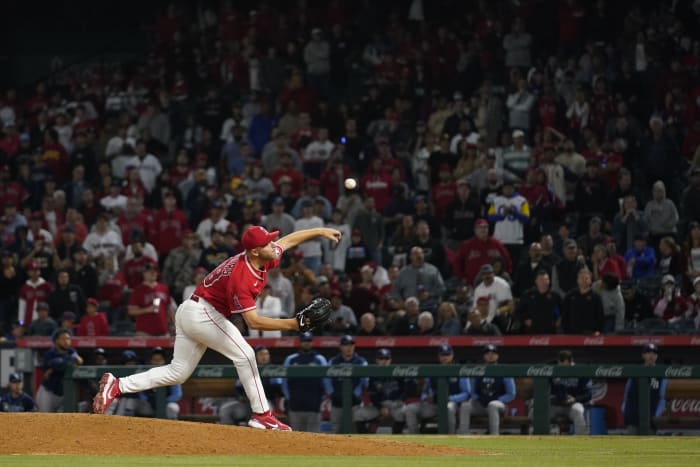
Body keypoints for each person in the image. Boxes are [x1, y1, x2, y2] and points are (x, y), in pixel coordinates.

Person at [94, 225, 341, 432]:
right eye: (267, 243)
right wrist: (293, 324)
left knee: (178, 373)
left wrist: (320, 231)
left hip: (192, 310)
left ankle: (118, 385)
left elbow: (287, 241)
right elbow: (253, 322)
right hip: (202, 313)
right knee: (245, 354)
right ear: (255, 250)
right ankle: (261, 414)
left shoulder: (260, 255)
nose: (273, 245)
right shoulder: (242, 276)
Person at [403, 344, 470, 434]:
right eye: (442, 355)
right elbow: (424, 392)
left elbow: (466, 393)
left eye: (447, 354)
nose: (445, 357)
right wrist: (425, 397)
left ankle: (451, 436)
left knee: (448, 408)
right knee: (410, 408)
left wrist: (449, 398)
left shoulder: (459, 370)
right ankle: (415, 437)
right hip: (434, 404)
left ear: (452, 355)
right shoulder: (433, 370)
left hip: (452, 403)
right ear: (438, 356)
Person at [220, 345, 285, 426]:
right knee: (225, 409)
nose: (264, 356)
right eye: (261, 354)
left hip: (265, 403)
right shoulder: (248, 368)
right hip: (246, 403)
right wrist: (241, 397)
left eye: (266, 354)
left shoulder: (273, 369)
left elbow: (278, 389)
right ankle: (228, 434)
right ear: (255, 356)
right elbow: (238, 387)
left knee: (267, 411)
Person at [459, 345, 516, 435]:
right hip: (481, 404)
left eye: (493, 353)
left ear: (497, 356)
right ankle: (463, 435)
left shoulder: (504, 371)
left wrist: (497, 399)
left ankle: (494, 436)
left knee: (492, 405)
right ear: (484, 356)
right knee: (465, 406)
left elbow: (511, 394)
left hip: (499, 406)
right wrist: (479, 398)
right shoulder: (478, 371)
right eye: (488, 354)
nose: (490, 356)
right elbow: (473, 392)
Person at [531, 350, 591, 435]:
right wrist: (554, 399)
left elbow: (588, 394)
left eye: (565, 362)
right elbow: (544, 391)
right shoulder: (552, 370)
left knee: (578, 411)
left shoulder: (581, 371)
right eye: (560, 362)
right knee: (536, 412)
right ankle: (539, 439)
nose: (562, 364)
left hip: (572, 405)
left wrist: (575, 399)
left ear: (571, 361)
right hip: (555, 405)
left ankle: (581, 440)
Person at [282, 332, 332, 432]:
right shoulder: (291, 359)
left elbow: (327, 381)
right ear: (300, 342)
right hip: (295, 405)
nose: (306, 343)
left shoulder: (320, 359)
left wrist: (323, 397)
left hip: (314, 405)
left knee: (314, 437)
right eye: (304, 341)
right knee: (296, 438)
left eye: (308, 341)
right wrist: (289, 398)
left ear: (312, 343)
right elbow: (284, 382)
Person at [354, 348, 409, 433]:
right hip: (379, 405)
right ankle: (366, 441)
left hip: (395, 404)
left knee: (403, 413)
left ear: (390, 360)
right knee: (358, 414)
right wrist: (380, 407)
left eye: (386, 358)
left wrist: (399, 401)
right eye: (381, 358)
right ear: (376, 360)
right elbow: (373, 395)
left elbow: (405, 391)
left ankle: (397, 440)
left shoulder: (398, 373)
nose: (384, 361)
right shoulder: (373, 375)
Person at [622, 343, 668, 435]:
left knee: (648, 444)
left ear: (657, 356)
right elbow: (627, 395)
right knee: (630, 442)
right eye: (648, 352)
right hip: (633, 418)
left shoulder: (661, 375)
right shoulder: (634, 373)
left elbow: (663, 398)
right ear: (643, 355)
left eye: (654, 353)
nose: (651, 355)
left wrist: (656, 415)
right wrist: (625, 411)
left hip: (651, 419)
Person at [328, 335, 368, 433]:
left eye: (351, 345)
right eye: (346, 345)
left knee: (354, 432)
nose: (349, 347)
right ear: (341, 347)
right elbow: (326, 380)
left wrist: (355, 394)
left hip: (355, 404)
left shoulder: (361, 362)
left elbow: (365, 381)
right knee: (335, 432)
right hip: (337, 403)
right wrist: (332, 393)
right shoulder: (333, 361)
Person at [36, 328, 83, 412]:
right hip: (48, 393)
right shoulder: (50, 354)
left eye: (68, 338)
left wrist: (58, 367)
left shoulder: (72, 351)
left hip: (64, 395)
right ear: (56, 341)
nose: (66, 341)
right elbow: (57, 364)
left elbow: (80, 361)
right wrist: (70, 361)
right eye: (63, 339)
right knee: (44, 419)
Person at [561, 269, 605, 335]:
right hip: (572, 334)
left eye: (586, 278)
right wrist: (566, 331)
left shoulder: (596, 297)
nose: (584, 280)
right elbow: (565, 315)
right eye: (581, 278)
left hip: (591, 334)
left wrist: (598, 331)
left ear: (590, 280)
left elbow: (600, 316)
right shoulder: (570, 296)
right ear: (577, 280)